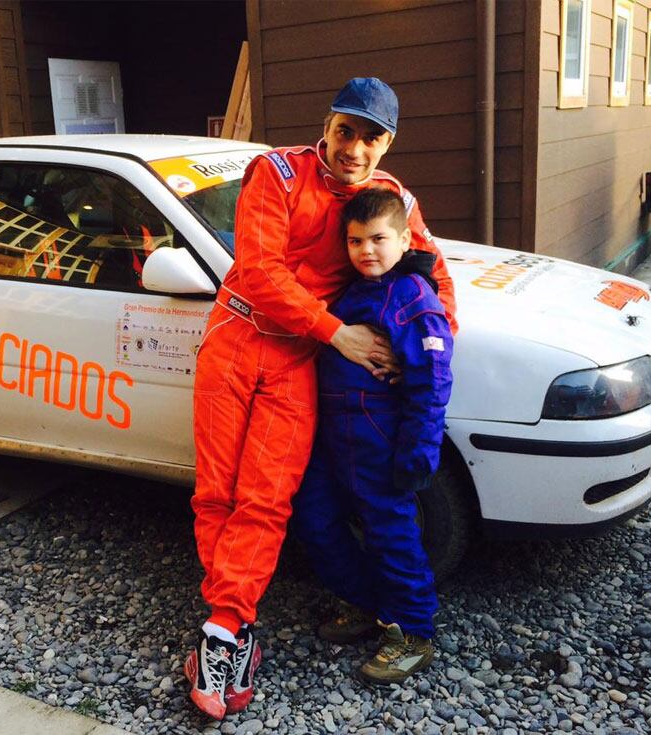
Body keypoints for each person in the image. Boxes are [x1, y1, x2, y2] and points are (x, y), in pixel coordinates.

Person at [184, 77, 457, 719]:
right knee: (216, 491)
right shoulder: (276, 172)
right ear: (327, 126)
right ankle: (231, 628)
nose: (355, 148)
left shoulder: (393, 203)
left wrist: (414, 348)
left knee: (268, 497)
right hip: (240, 335)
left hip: (301, 361)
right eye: (345, 131)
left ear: (386, 144)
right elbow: (258, 271)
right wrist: (343, 335)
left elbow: (436, 280)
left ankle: (226, 626)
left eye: (371, 137)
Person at [291, 187, 453, 686]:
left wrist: (419, 451)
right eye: (356, 240)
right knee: (315, 519)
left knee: (391, 534)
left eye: (379, 239)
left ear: (405, 240)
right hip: (332, 438)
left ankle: (412, 633)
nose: (367, 251)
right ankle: (365, 603)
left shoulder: (413, 299)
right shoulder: (351, 289)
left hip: (381, 441)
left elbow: (432, 379)